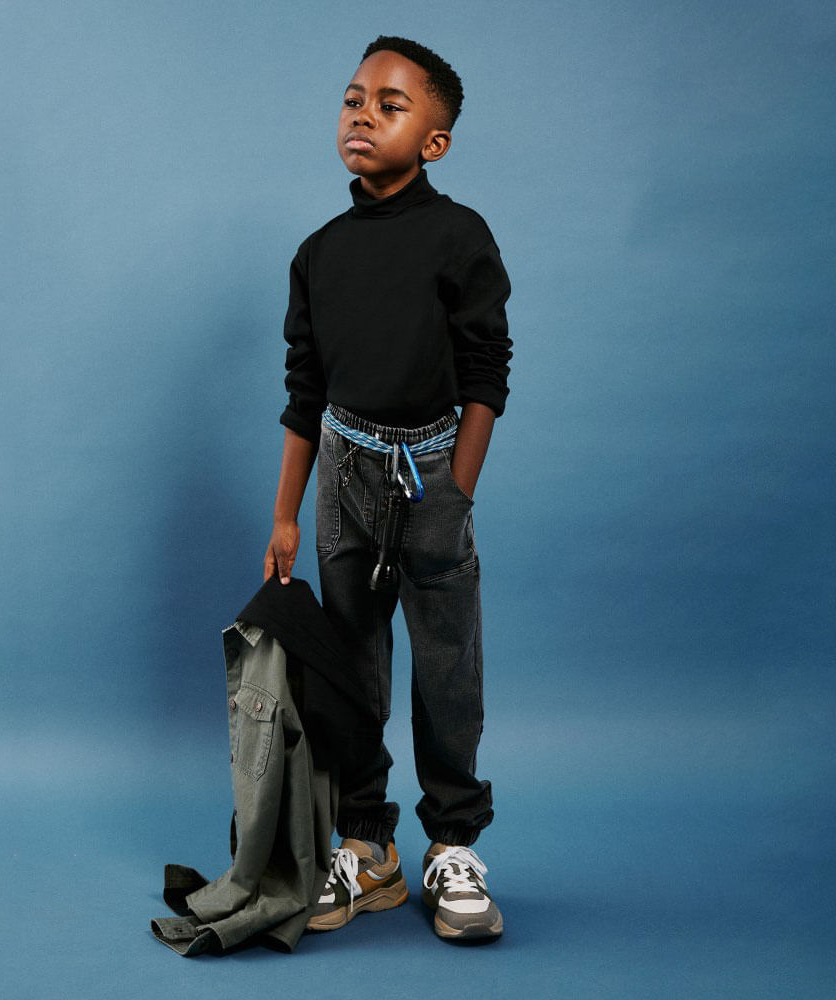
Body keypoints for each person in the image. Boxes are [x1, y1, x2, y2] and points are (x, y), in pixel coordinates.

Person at [263, 35, 512, 942]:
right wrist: (286, 514)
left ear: (434, 141)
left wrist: (456, 490)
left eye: (390, 105)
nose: (362, 114)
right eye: (353, 98)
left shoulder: (459, 236)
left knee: (447, 669)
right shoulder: (318, 254)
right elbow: (305, 392)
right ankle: (367, 846)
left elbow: (486, 371)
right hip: (342, 476)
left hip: (430, 472)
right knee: (351, 670)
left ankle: (454, 845)